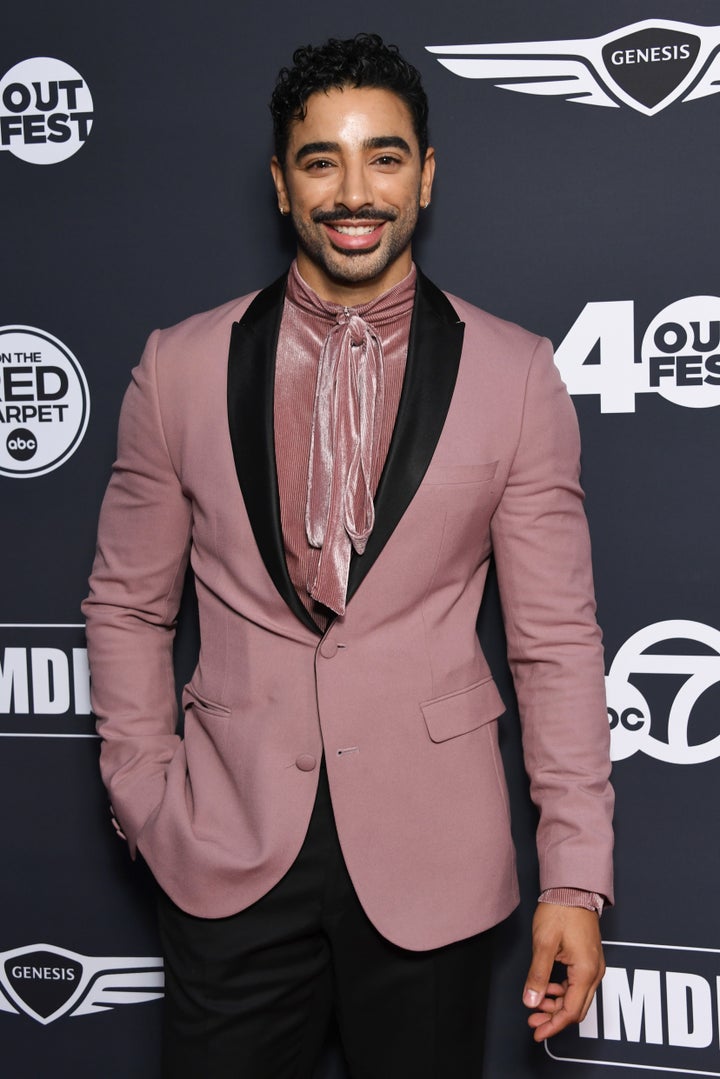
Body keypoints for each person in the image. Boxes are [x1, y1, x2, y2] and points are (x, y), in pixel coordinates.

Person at [83, 32, 614, 1079]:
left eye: (383, 155)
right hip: (225, 851)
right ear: (282, 184)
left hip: (433, 863)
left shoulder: (515, 375)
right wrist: (145, 795)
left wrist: (575, 877)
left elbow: (555, 641)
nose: (352, 189)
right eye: (321, 159)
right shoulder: (178, 366)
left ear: (426, 174)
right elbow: (125, 606)